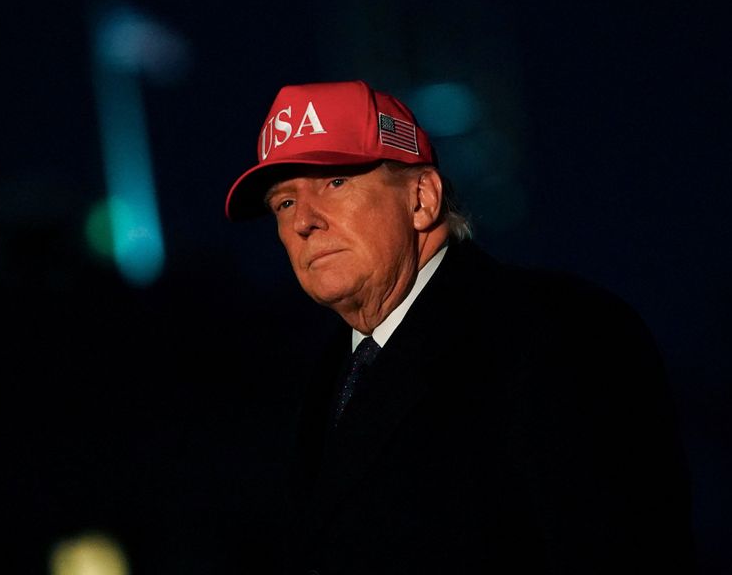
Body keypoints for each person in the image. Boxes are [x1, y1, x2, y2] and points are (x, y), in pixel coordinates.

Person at [224, 80, 696, 574]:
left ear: (422, 198)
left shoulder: (562, 333)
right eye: (284, 203)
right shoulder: (309, 376)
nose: (304, 221)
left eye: (335, 182)